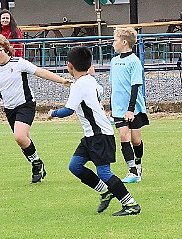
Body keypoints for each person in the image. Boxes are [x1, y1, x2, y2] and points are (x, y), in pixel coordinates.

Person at [0, 33, 71, 183]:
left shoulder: (19, 63)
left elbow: (40, 72)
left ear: (6, 49)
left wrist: (62, 80)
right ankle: (36, 163)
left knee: (19, 136)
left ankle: (36, 163)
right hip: (9, 109)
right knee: (23, 140)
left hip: (26, 105)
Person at [48, 46, 141, 216]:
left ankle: (131, 204)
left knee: (104, 172)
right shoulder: (91, 81)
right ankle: (106, 191)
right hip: (92, 135)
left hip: (100, 135)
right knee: (75, 166)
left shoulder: (79, 85)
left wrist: (52, 113)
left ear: (69, 66)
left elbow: (68, 110)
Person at [110, 27, 149, 183]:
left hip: (134, 108)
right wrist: (112, 108)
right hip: (119, 109)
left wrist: (131, 110)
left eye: (115, 40)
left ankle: (138, 164)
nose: (113, 43)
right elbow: (114, 85)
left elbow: (135, 86)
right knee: (123, 137)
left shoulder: (134, 61)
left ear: (124, 42)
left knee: (135, 140)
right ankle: (132, 171)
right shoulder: (114, 61)